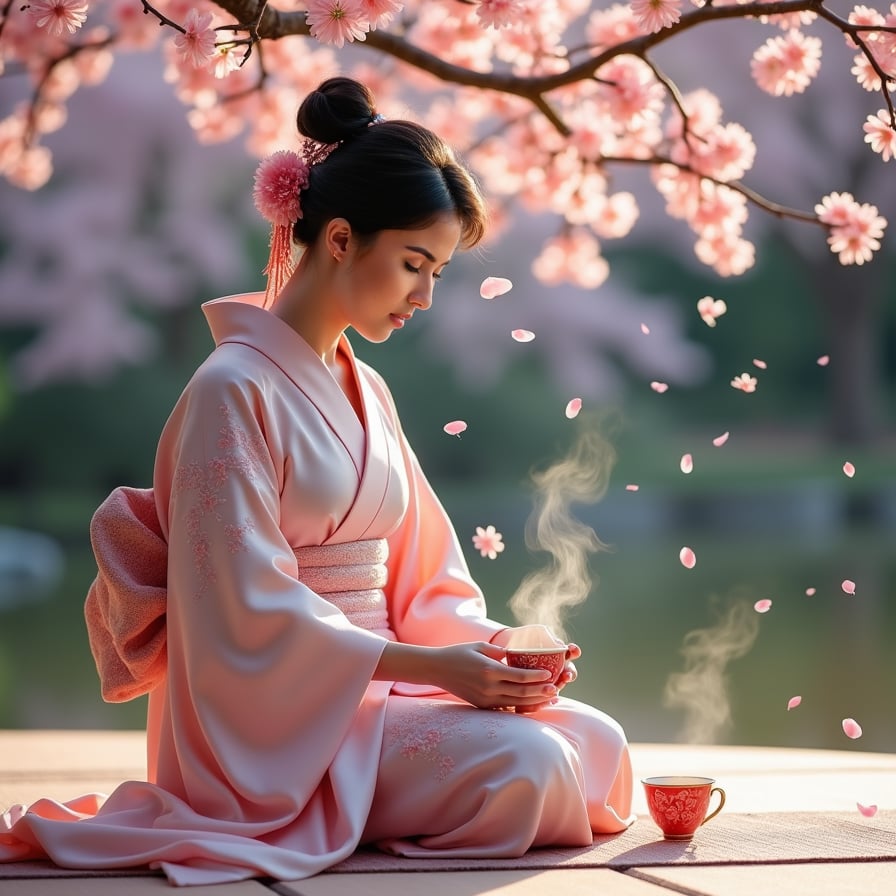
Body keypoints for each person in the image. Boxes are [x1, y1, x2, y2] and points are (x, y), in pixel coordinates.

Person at [0, 77, 634, 886]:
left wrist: (490, 655)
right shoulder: (231, 389)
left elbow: (424, 575)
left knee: (599, 745)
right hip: (272, 722)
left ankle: (406, 783)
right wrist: (435, 672)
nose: (425, 296)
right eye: (414, 264)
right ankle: (344, 806)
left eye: (436, 271)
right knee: (532, 771)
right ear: (339, 239)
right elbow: (241, 608)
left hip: (380, 682)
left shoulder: (366, 387)